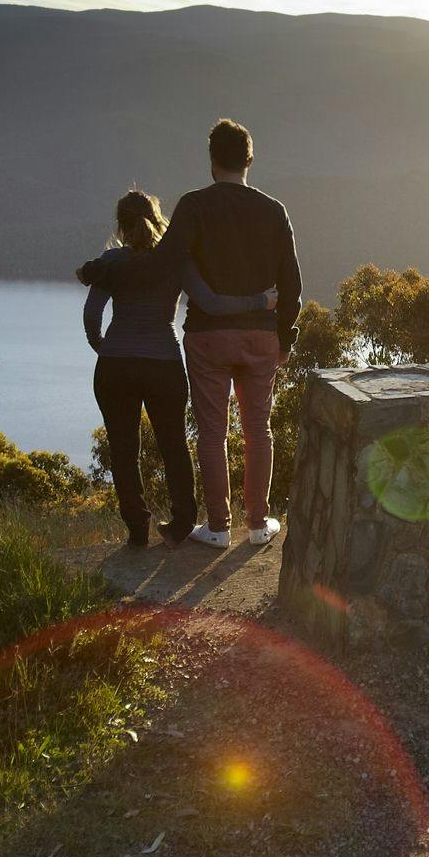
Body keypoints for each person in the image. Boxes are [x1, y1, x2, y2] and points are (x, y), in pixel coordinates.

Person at [76, 189, 273, 554]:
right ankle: (181, 524)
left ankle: (137, 529)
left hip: (115, 367)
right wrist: (259, 301)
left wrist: (102, 345)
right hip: (163, 365)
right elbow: (210, 303)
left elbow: (92, 313)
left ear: (120, 225)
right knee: (173, 446)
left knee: (122, 449)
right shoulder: (176, 262)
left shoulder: (111, 262)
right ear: (158, 219)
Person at [161, 119, 302, 547]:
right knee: (258, 429)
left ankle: (219, 528)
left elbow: (167, 262)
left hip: (209, 337)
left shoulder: (193, 205)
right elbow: (292, 283)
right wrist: (285, 338)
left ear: (212, 161)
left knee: (212, 432)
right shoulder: (273, 210)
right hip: (261, 337)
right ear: (250, 160)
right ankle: (258, 525)